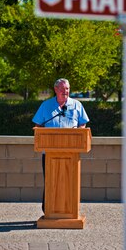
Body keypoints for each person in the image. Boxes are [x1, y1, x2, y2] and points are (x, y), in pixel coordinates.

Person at [32, 78, 89, 212]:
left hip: (72, 153)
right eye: (63, 89)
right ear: (56, 90)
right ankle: (49, 211)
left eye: (68, 89)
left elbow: (82, 123)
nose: (66, 91)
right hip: (50, 153)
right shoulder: (46, 106)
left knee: (70, 182)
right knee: (51, 182)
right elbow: (38, 126)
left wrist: (79, 133)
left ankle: (69, 211)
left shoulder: (77, 105)